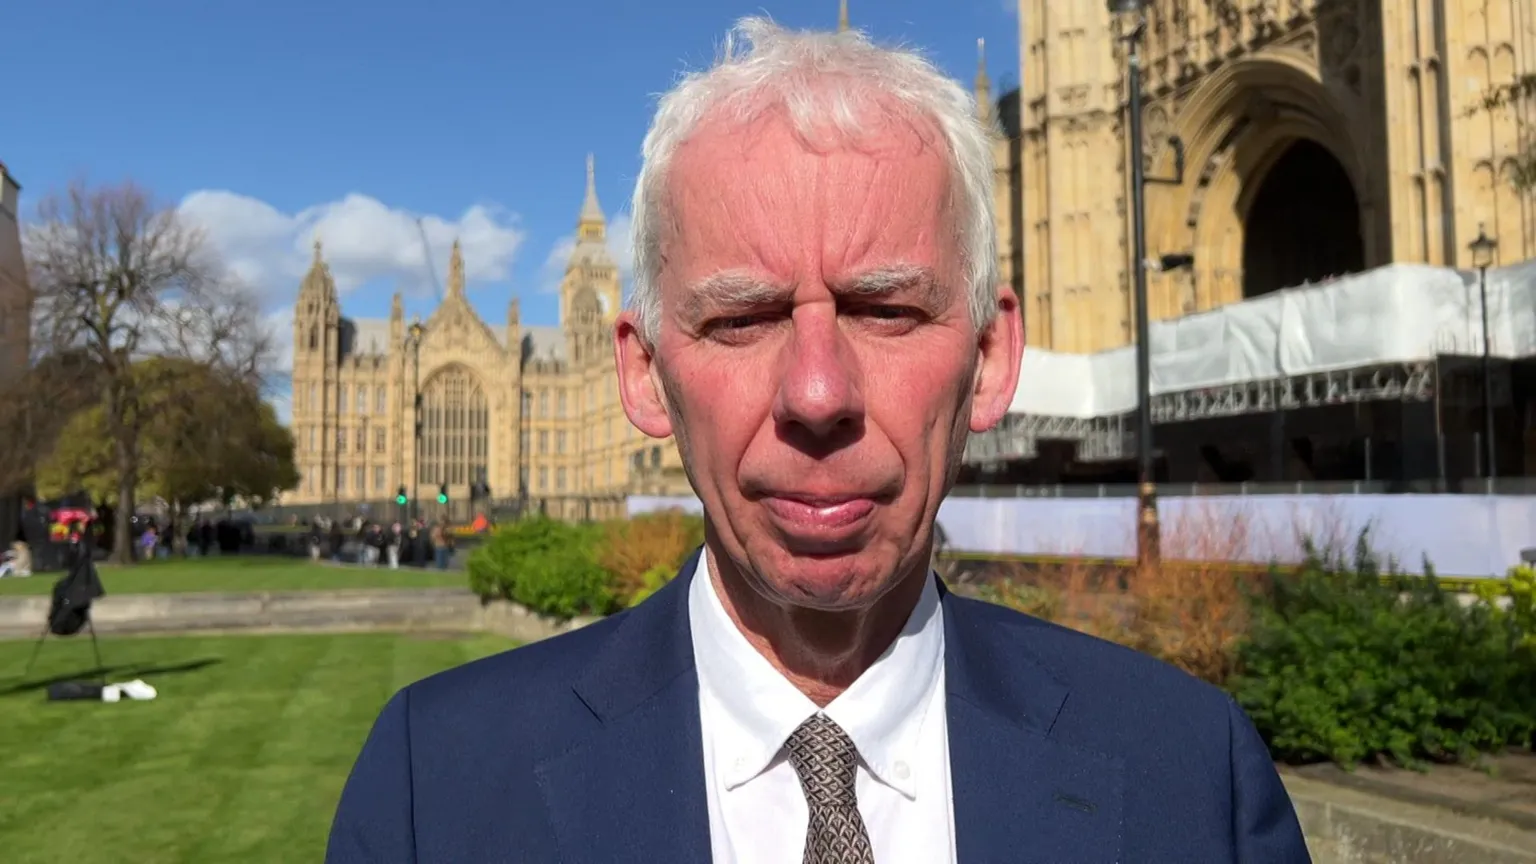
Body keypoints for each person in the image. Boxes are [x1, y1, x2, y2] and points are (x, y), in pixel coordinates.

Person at [327, 18, 1309, 864]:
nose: (817, 392)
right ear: (643, 371)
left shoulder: (1193, 780)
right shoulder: (436, 792)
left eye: (884, 308)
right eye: (743, 317)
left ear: (992, 355)